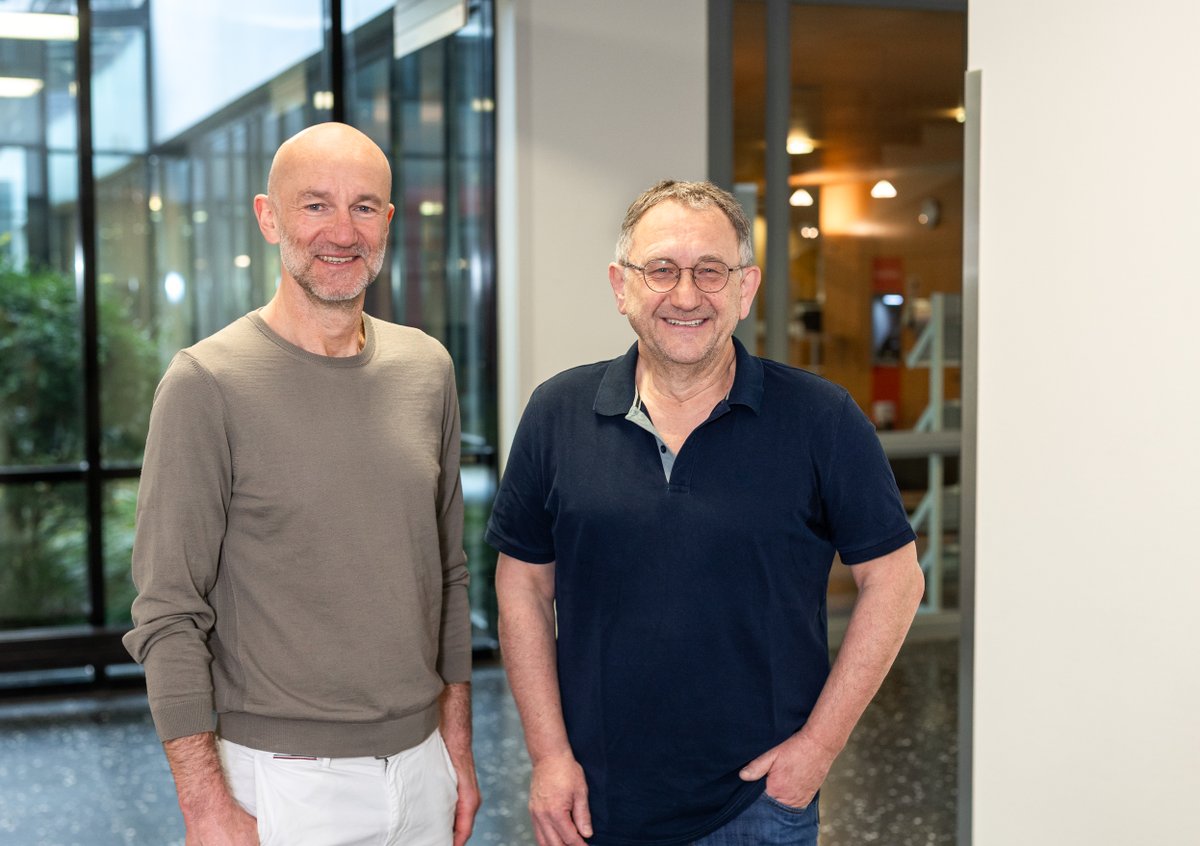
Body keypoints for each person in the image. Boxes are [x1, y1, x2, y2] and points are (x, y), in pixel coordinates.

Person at [487, 179, 925, 846]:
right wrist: (548, 756)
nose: (687, 295)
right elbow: (521, 584)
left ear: (746, 289)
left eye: (711, 271)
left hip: (759, 805)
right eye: (661, 269)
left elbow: (895, 579)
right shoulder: (556, 413)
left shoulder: (821, 418)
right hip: (594, 801)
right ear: (621, 286)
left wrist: (818, 747)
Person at [123, 122, 480, 846]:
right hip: (282, 782)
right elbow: (168, 611)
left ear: (388, 220)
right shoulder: (206, 383)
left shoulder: (427, 367)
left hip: (423, 769)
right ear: (269, 217)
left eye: (364, 207)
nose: (342, 232)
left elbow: (447, 575)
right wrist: (203, 805)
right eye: (316, 205)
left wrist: (458, 748)